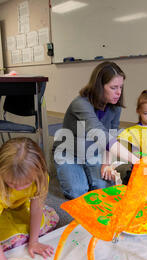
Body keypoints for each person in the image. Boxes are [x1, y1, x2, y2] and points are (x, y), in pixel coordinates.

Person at [53, 61, 139, 199]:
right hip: (69, 152)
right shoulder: (80, 104)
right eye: (113, 87)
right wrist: (135, 160)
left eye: (121, 87)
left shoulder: (115, 107)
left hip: (92, 152)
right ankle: (70, 172)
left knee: (104, 190)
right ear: (99, 86)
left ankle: (87, 173)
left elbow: (110, 135)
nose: (118, 93)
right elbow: (100, 134)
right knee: (78, 192)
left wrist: (106, 163)